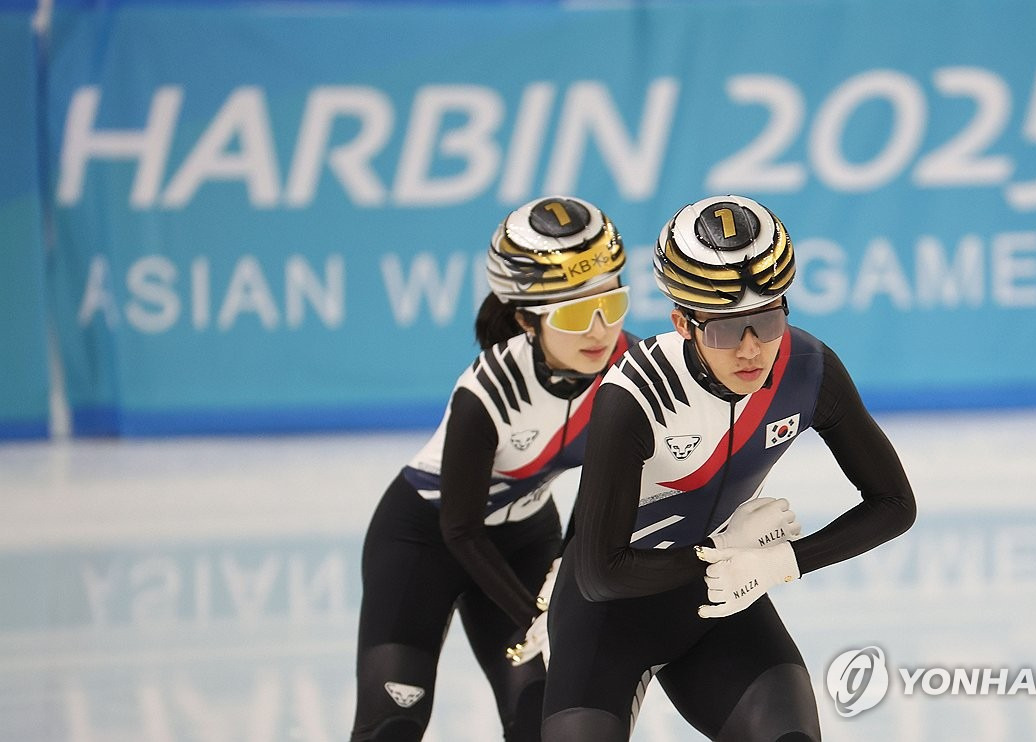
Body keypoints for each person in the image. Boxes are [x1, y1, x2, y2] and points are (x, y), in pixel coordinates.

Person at [541, 195, 917, 741]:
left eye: (767, 321)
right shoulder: (635, 394)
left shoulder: (808, 370)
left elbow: (894, 505)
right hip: (607, 619)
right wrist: (720, 554)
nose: (750, 350)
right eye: (723, 330)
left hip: (726, 602)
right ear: (683, 323)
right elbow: (600, 573)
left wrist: (779, 563)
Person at [350, 196, 638, 742]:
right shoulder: (488, 391)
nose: (599, 330)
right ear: (527, 318)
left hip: (525, 539)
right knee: (394, 723)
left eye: (611, 301)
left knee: (539, 726)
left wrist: (570, 579)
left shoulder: (632, 371)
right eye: (575, 313)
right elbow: (459, 528)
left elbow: (607, 488)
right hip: (422, 541)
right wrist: (534, 615)